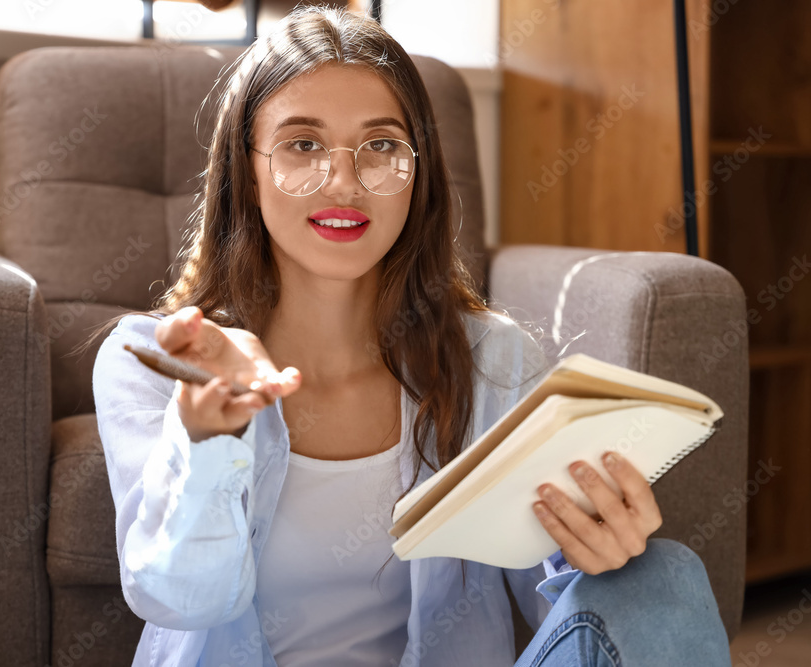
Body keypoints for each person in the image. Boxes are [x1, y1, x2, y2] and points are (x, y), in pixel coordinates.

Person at [88, 5, 732, 665]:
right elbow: (181, 599)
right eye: (303, 145)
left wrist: (596, 551)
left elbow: (558, 603)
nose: (344, 181)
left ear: (417, 173)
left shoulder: (491, 360)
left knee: (661, 572)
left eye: (382, 146)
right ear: (246, 172)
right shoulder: (156, 362)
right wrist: (211, 442)